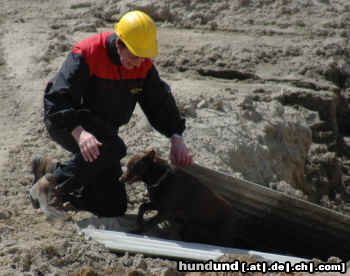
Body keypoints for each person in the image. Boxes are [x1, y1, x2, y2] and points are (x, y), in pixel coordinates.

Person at [30, 10, 193, 217]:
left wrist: (176, 135)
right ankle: (47, 187)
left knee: (113, 206)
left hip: (103, 133)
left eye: (144, 58)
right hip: (68, 123)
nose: (138, 64)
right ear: (119, 44)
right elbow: (56, 98)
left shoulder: (142, 65)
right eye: (134, 56)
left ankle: (50, 168)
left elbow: (159, 102)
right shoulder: (88, 53)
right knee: (114, 147)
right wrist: (79, 132)